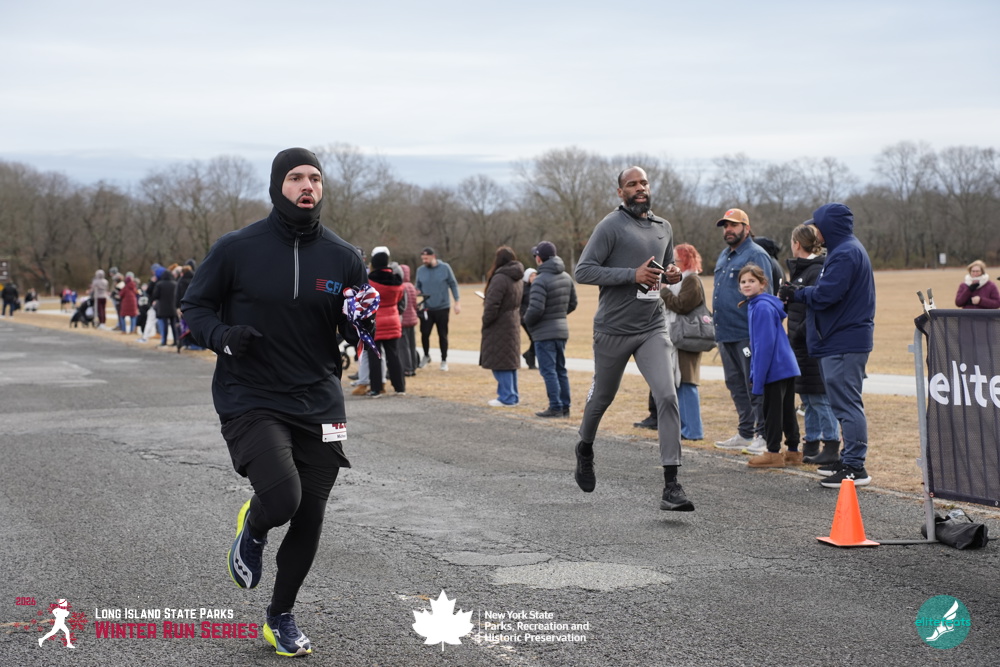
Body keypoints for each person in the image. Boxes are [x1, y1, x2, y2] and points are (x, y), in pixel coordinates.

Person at [181, 147, 368, 657]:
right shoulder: (236, 248)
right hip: (251, 394)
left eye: (315, 178)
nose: (308, 186)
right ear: (276, 186)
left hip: (320, 400)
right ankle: (256, 522)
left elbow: (352, 329)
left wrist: (361, 323)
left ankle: (280, 616)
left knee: (311, 514)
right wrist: (223, 336)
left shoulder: (344, 256)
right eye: (296, 178)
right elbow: (194, 307)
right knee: (284, 500)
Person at [573, 166, 693, 511]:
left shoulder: (663, 227)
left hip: (651, 327)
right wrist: (632, 275)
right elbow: (583, 271)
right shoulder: (610, 226)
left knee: (667, 395)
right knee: (602, 398)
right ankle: (584, 448)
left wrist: (672, 275)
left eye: (644, 183)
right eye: (632, 184)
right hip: (613, 329)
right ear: (620, 192)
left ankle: (671, 485)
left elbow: (665, 270)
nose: (640, 188)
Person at [780, 203, 875, 488]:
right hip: (838, 338)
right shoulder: (842, 250)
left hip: (844, 340)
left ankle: (855, 467)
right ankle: (848, 459)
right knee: (842, 403)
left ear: (829, 227)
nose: (815, 231)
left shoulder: (846, 252)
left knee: (847, 404)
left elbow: (827, 295)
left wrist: (797, 294)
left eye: (818, 226)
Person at [711, 208, 774, 454]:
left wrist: (762, 333)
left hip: (747, 333)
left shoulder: (756, 255)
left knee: (754, 384)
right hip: (725, 332)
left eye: (734, 225)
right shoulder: (724, 255)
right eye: (725, 226)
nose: (728, 230)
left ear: (746, 228)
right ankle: (745, 432)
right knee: (735, 384)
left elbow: (766, 295)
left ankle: (763, 435)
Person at [785, 224, 840, 464]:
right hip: (800, 345)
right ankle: (812, 442)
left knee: (819, 398)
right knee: (807, 398)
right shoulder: (802, 270)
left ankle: (831, 443)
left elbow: (815, 308)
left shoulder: (816, 270)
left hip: (811, 345)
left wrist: (799, 333)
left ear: (797, 243)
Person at [738, 263, 801, 467]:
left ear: (762, 284)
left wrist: (757, 378)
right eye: (743, 281)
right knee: (787, 409)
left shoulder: (762, 307)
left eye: (752, 281)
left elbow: (763, 346)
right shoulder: (758, 304)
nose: (747, 285)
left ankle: (773, 452)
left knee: (772, 411)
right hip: (786, 364)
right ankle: (793, 451)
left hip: (775, 366)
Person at [656, 243, 708, 440]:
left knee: (687, 382)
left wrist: (664, 291)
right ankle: (685, 427)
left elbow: (682, 305)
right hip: (679, 337)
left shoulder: (691, 280)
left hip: (687, 338)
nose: (673, 263)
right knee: (680, 383)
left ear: (686, 260)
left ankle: (693, 430)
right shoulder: (683, 280)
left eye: (676, 259)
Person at [523, 241, 578, 418]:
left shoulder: (540, 280)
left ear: (539, 258)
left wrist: (527, 321)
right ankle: (565, 407)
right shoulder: (567, 277)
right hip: (561, 329)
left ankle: (555, 407)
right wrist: (558, 315)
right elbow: (573, 304)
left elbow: (535, 310)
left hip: (544, 333)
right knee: (561, 369)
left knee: (548, 371)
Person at [480, 246, 524, 406]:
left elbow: (493, 304)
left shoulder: (500, 278)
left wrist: (486, 321)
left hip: (499, 324)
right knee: (509, 362)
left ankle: (507, 397)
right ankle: (512, 395)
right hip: (513, 321)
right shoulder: (517, 277)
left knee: (500, 362)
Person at [366, 246, 406, 396]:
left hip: (375, 322)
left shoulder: (370, 281)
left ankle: (376, 388)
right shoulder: (397, 281)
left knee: (375, 357)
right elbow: (400, 299)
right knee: (394, 355)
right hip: (393, 320)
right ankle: (400, 387)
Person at [415, 247, 460, 371]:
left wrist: (457, 302)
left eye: (426, 258)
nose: (424, 261)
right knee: (424, 333)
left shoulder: (445, 268)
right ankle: (426, 356)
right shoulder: (420, 270)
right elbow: (417, 287)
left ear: (433, 257)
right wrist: (417, 297)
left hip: (442, 307)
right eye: (423, 259)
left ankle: (444, 360)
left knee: (442, 334)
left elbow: (453, 284)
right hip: (427, 308)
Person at [399, 264, 421, 376]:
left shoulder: (401, 287)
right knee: (412, 345)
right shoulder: (411, 286)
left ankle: (406, 368)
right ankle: (413, 366)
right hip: (412, 319)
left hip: (404, 320)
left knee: (404, 345)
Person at [150, 267, 178, 346]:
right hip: (172, 307)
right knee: (173, 325)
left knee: (164, 326)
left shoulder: (159, 284)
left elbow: (155, 295)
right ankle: (176, 341)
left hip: (163, 308)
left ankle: (164, 341)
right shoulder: (175, 284)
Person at [519, 268, 538, 370]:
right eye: (531, 276)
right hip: (524, 318)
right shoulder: (523, 289)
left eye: (535, 275)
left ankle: (528, 355)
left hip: (534, 317)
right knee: (534, 338)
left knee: (535, 338)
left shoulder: (538, 287)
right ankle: (531, 362)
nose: (534, 277)